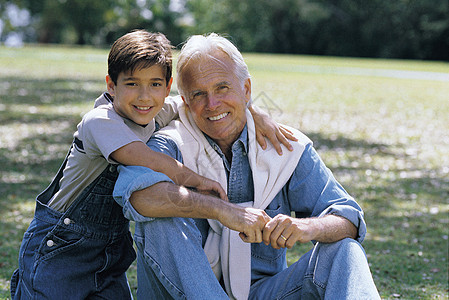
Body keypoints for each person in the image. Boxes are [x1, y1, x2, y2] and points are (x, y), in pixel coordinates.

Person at [10, 30, 291, 299]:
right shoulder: (100, 122)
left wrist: (255, 112)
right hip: (60, 246)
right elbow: (144, 157)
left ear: (167, 86)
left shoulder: (157, 108)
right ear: (111, 85)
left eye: (155, 84)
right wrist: (194, 179)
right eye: (132, 83)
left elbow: (204, 105)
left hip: (109, 253)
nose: (144, 96)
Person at [114, 33, 381, 299]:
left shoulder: (284, 146)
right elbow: (137, 196)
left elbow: (350, 219)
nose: (212, 104)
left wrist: (305, 228)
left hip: (264, 293)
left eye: (222, 88)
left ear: (247, 91)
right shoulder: (169, 144)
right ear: (184, 101)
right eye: (198, 94)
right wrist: (223, 211)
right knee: (161, 215)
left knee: (343, 250)